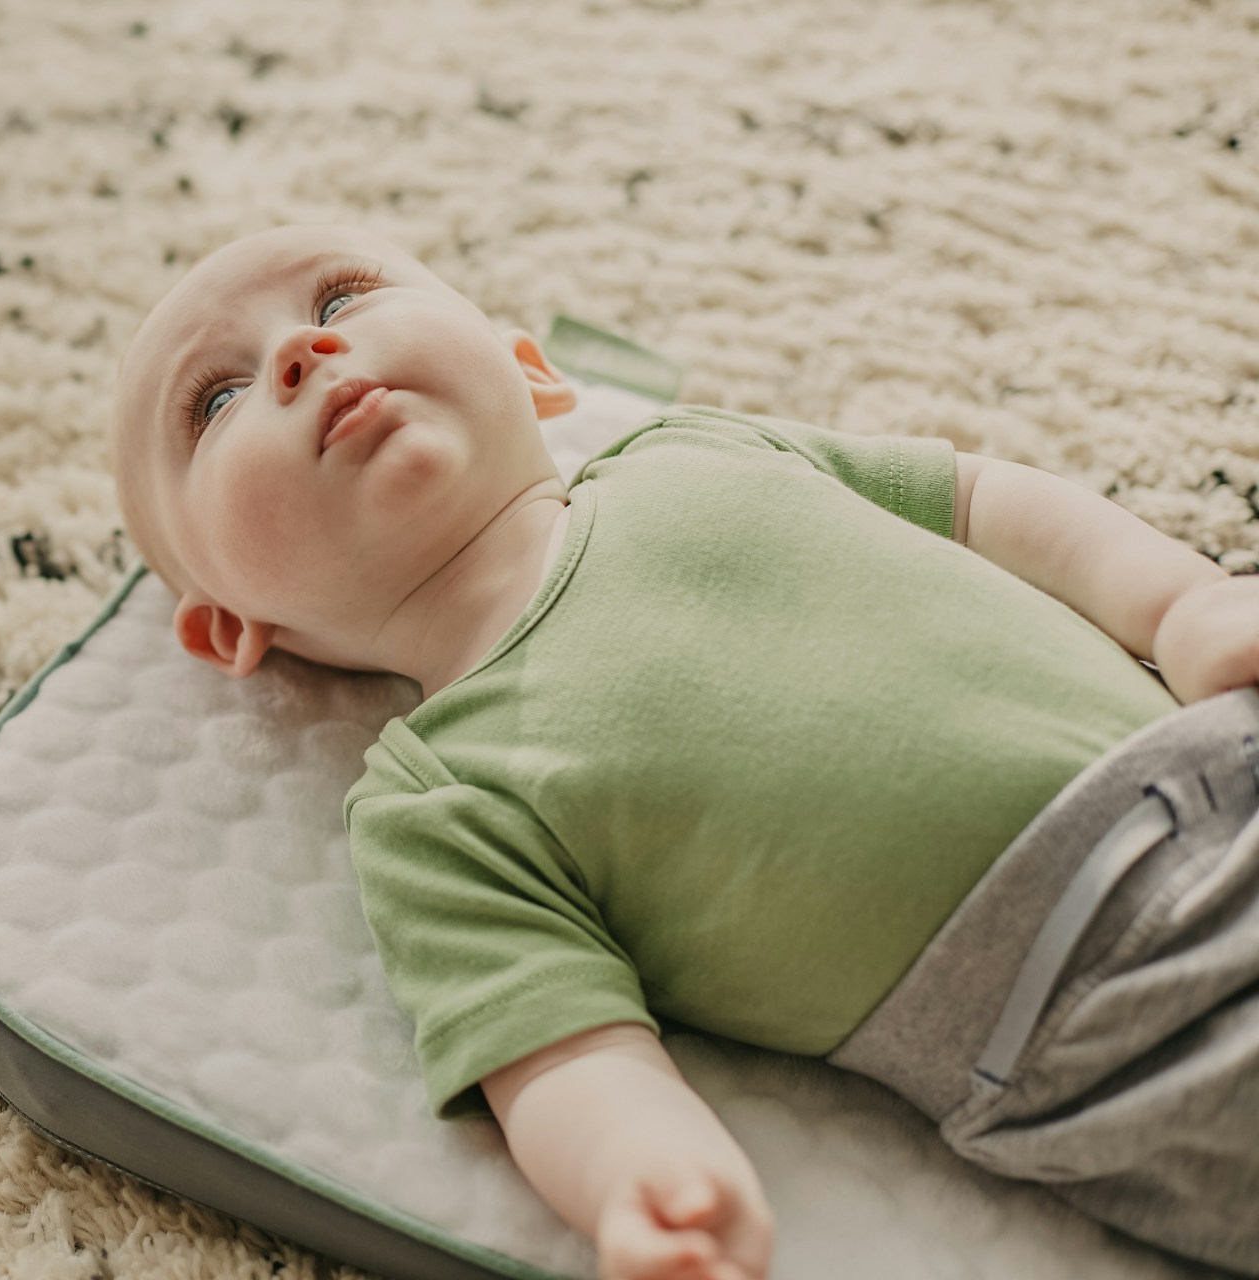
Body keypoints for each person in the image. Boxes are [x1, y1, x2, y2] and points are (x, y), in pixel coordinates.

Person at [106, 221, 1259, 1280]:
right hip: (1103, 1006)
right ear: (232, 627)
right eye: (216, 400)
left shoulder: (694, 448)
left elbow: (977, 501)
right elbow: (554, 1044)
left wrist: (1178, 603)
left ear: (529, 370)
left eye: (342, 297)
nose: (302, 350)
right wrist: (641, 1176)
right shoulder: (434, 802)